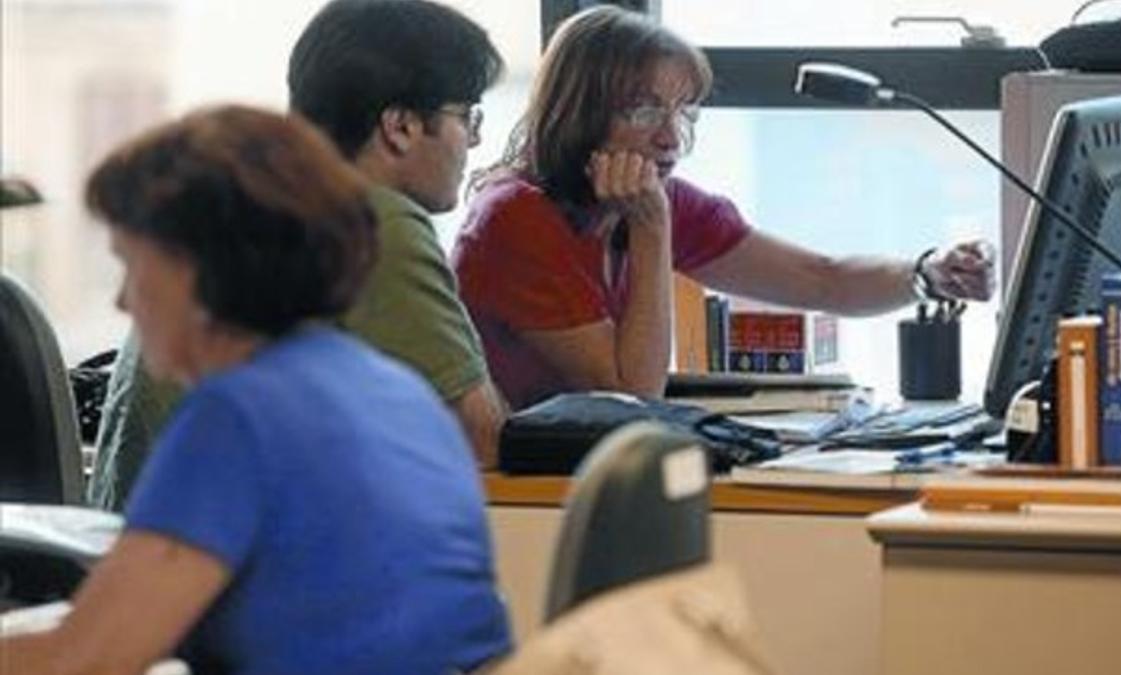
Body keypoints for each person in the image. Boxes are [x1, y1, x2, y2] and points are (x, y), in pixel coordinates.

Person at [3, 105, 511, 674]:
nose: (123, 302)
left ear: (194, 268)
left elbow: (86, 658)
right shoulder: (396, 393)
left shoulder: (238, 414)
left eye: (131, 264)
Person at [452, 6, 996, 410]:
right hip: (512, 498)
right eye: (643, 110)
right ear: (580, 114)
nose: (670, 139)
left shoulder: (651, 201)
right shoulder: (515, 219)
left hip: (577, 477)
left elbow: (821, 280)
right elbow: (629, 396)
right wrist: (651, 231)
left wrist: (927, 274)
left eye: (680, 112)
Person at [89, 0, 508, 511]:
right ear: (400, 126)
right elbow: (480, 442)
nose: (476, 140)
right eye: (467, 116)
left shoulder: (246, 205)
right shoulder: (372, 223)